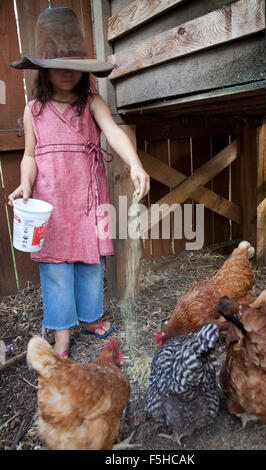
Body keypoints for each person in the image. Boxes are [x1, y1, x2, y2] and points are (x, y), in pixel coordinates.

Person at [8, 7, 150, 358]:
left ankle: (89, 317)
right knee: (55, 268)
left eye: (74, 64)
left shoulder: (91, 103)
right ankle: (62, 334)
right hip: (51, 205)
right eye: (57, 64)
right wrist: (26, 184)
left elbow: (114, 132)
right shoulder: (34, 111)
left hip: (87, 201)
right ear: (42, 69)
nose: (67, 72)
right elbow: (29, 155)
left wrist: (134, 163)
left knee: (91, 262)